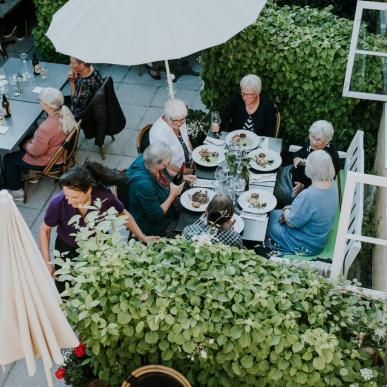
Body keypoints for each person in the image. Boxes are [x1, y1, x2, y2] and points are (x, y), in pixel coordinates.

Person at [40, 162, 157, 286]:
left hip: (99, 247)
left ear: (89, 190)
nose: (69, 201)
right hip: (68, 250)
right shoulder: (58, 203)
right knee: (66, 288)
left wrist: (142, 236)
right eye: (66, 195)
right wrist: (47, 263)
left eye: (75, 197)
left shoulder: (104, 196)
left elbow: (123, 214)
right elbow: (44, 230)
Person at [3, 87, 77, 200]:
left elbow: (35, 152)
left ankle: (17, 192)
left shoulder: (46, 128)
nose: (40, 102)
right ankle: (31, 175)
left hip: (49, 160)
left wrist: (26, 144)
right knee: (28, 137)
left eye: (41, 100)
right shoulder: (65, 112)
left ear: (47, 106)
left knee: (9, 159)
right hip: (61, 152)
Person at [267, 150, 339, 256]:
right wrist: (289, 211)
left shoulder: (309, 195)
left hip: (305, 243)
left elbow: (291, 222)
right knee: (273, 214)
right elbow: (312, 208)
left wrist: (286, 209)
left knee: (267, 222)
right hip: (318, 237)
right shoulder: (331, 183)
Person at [126, 142, 196, 236]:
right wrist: (172, 195)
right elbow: (156, 216)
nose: (167, 167)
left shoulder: (149, 158)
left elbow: (165, 172)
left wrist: (182, 176)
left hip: (170, 208)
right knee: (191, 228)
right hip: (155, 226)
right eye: (165, 165)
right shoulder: (143, 185)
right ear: (155, 163)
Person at [274, 120, 340, 206]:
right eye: (312, 137)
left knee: (271, 191)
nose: (314, 142)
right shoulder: (315, 144)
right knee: (269, 172)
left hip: (297, 190)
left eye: (318, 140)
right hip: (290, 173)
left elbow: (320, 189)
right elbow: (299, 152)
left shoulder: (325, 160)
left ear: (327, 142)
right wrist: (296, 158)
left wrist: (303, 187)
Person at [149, 98, 193, 175]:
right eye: (176, 120)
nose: (179, 124)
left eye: (182, 120)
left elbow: (187, 141)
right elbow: (165, 164)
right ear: (167, 116)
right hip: (175, 173)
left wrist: (194, 158)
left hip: (189, 164)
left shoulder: (179, 117)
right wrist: (186, 172)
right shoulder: (158, 134)